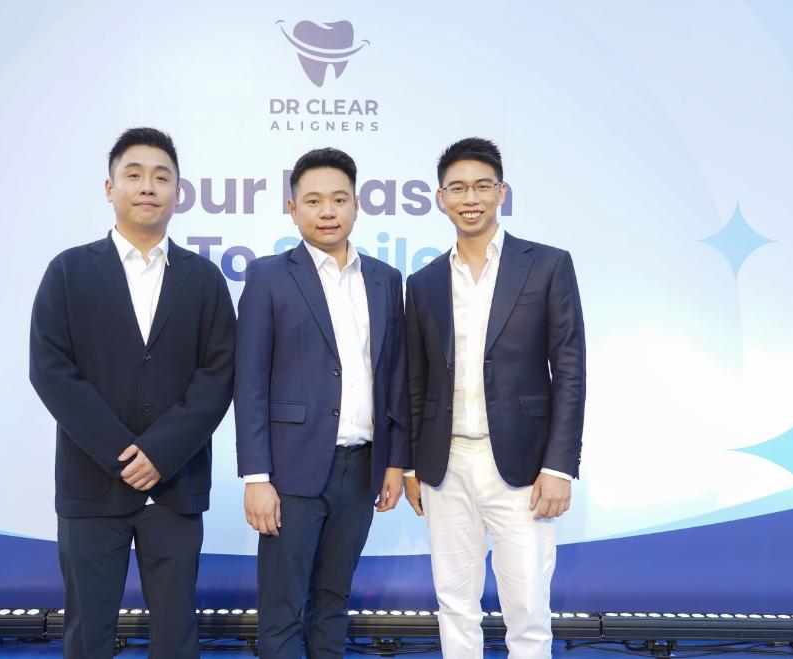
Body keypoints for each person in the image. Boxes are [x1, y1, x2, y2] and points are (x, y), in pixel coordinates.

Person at [29, 127, 236, 659]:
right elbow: (51, 371)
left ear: (178, 193)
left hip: (175, 486)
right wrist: (123, 454)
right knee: (88, 635)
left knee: (176, 635)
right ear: (110, 188)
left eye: (162, 177)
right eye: (135, 175)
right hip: (91, 484)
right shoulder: (69, 271)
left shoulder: (205, 279)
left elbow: (218, 376)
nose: (148, 187)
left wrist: (160, 453)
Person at [403, 137, 586, 659]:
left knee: (527, 608)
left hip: (524, 466)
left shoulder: (547, 265)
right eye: (458, 188)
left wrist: (559, 466)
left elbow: (570, 370)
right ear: (440, 198)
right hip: (446, 463)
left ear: (502, 192)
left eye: (482, 186)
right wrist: (413, 464)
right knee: (454, 604)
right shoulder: (423, 282)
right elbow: (416, 381)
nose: (471, 198)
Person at [234, 147, 410, 658]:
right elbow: (250, 383)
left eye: (338, 199)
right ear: (293, 209)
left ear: (357, 204)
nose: (327, 211)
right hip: (291, 472)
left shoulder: (385, 279)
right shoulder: (268, 276)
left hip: (362, 469)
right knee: (283, 610)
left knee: (333, 603)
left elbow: (394, 376)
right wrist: (256, 477)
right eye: (312, 201)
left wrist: (395, 462)